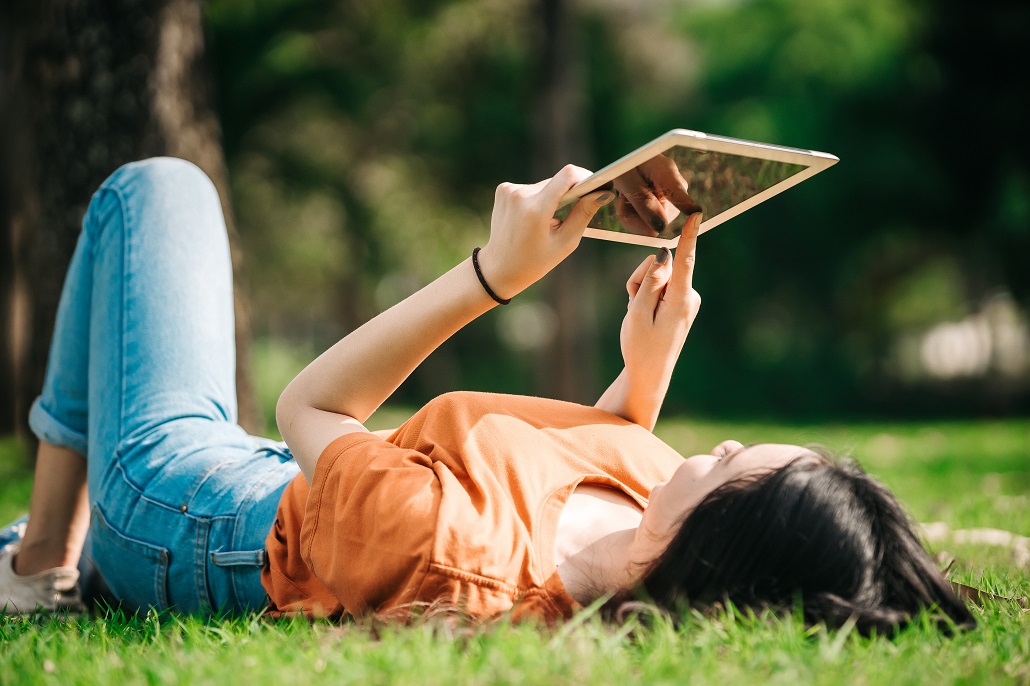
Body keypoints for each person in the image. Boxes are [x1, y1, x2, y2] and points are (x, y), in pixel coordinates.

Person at [0, 158, 973, 635]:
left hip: (194, 515)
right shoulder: (646, 524)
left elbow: (312, 410)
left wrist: (492, 274)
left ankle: (48, 563)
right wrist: (647, 364)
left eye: (723, 464)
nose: (702, 449)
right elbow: (615, 452)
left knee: (154, 189)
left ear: (699, 551)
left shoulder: (449, 551)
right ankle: (41, 554)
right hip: (283, 478)